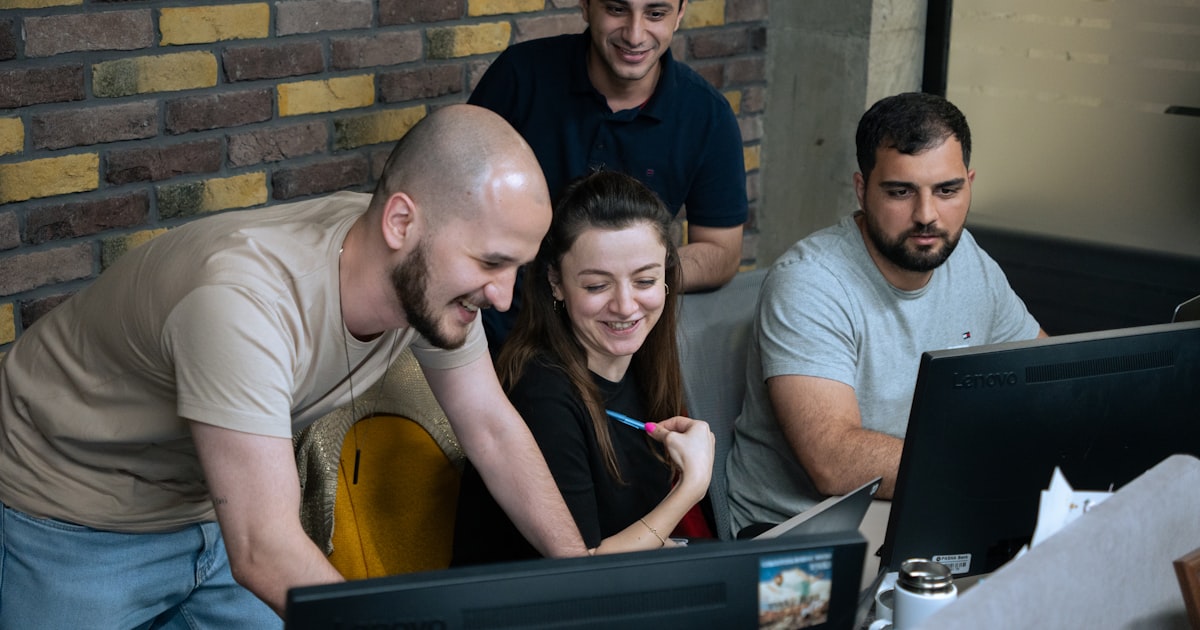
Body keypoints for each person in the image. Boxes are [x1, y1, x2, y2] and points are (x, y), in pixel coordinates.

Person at [0, 104, 589, 627]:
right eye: (490, 262)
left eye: (517, 268)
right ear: (400, 222)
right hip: (72, 512)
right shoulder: (243, 304)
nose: (504, 297)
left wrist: (586, 582)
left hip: (214, 506)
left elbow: (491, 427)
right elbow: (265, 549)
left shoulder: (423, 279)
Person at [726, 92, 1046, 536]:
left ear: (969, 183)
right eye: (900, 192)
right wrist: (983, 462)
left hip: (925, 505)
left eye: (948, 190)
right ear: (862, 190)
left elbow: (1046, 379)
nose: (927, 215)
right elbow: (834, 461)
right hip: (802, 532)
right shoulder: (810, 282)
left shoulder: (966, 257)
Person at [452, 170, 715, 564]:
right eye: (597, 286)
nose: (625, 306)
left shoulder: (645, 362)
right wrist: (690, 487)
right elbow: (585, 570)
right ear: (556, 282)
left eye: (644, 281)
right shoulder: (540, 395)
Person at [470, 0, 749, 349]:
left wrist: (630, 278)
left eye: (656, 13)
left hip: (615, 344)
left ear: (679, 14)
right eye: (617, 9)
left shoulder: (708, 116)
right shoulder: (520, 75)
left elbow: (721, 252)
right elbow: (458, 206)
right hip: (496, 330)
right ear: (586, 6)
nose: (634, 35)